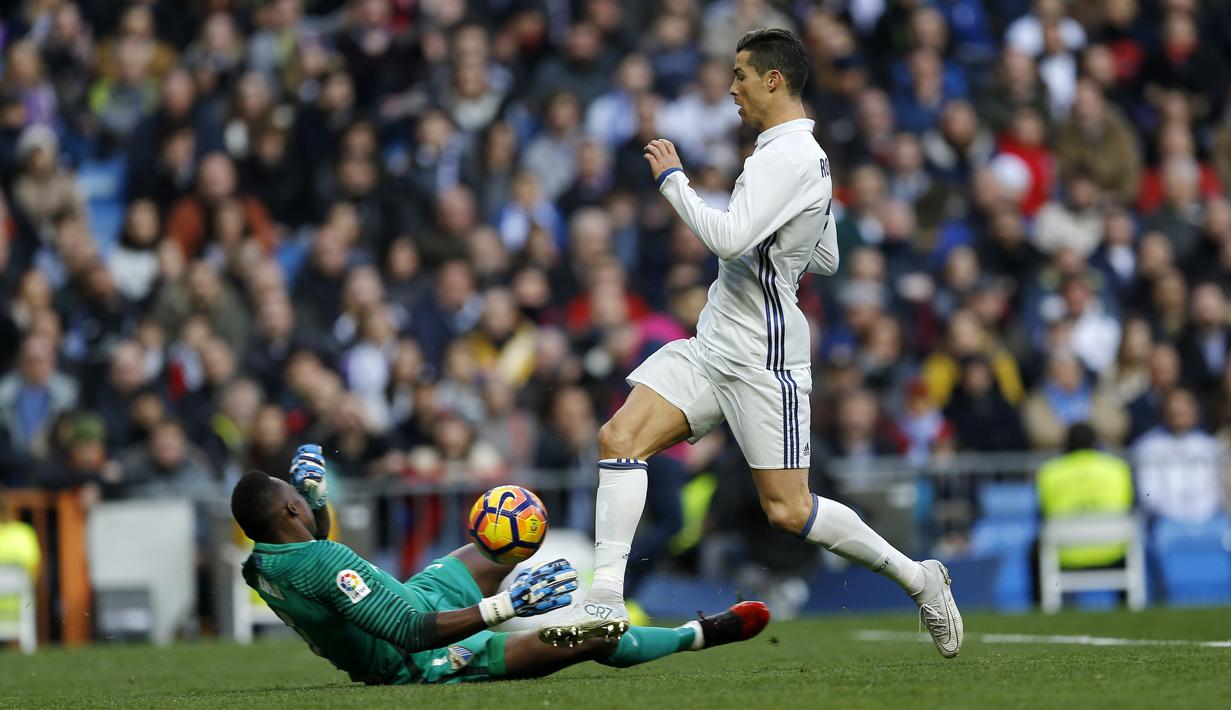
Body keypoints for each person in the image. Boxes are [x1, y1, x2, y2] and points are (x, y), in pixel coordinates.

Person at [542, 29, 963, 659]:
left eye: (740, 75)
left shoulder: (789, 157)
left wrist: (674, 181)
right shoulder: (794, 155)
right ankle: (605, 596)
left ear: (773, 80)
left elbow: (732, 239)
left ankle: (919, 577)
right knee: (618, 439)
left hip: (765, 356)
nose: (731, 87)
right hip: (716, 338)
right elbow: (828, 254)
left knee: (789, 510)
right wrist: (790, 243)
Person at [233, 445, 769, 685]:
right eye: (295, 496)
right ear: (286, 511)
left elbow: (312, 551)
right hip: (418, 659)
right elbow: (412, 634)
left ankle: (521, 600)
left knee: (499, 546)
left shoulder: (259, 565)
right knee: (595, 635)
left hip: (417, 597)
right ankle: (695, 635)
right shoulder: (323, 560)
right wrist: (505, 605)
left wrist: (316, 500)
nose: (303, 501)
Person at [1036, 423, 1134, 570]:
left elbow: (1044, 512)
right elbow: (1129, 506)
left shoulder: (1049, 472)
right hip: (1112, 550)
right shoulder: (1118, 468)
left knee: (1035, 549)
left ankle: (1046, 593)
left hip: (1066, 552)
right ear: (1095, 443)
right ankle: (1130, 593)